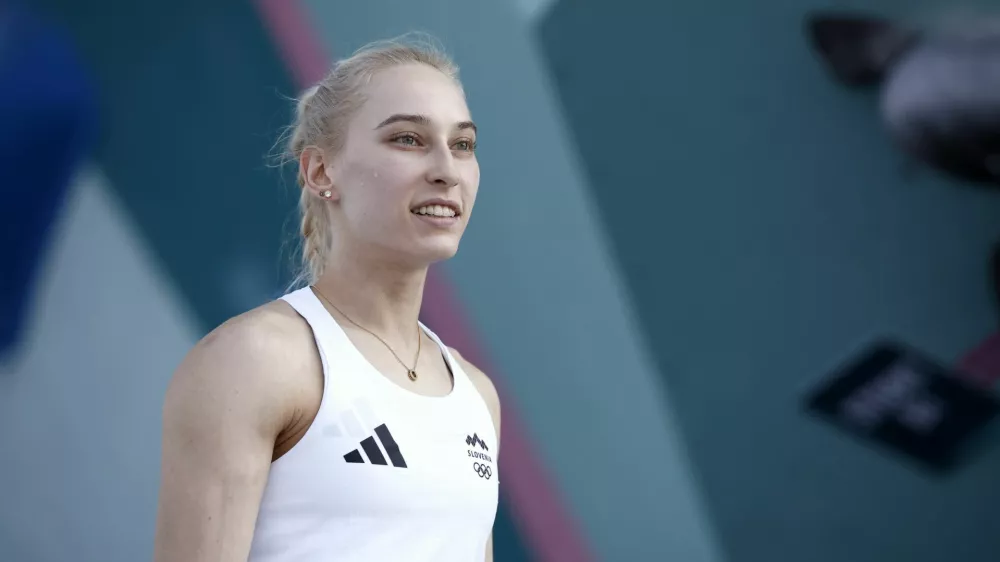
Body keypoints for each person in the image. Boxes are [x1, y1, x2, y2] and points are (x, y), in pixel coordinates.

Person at [153, 36, 501, 562]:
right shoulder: (255, 360)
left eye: (463, 145)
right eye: (408, 139)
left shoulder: (477, 396)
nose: (447, 170)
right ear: (320, 172)